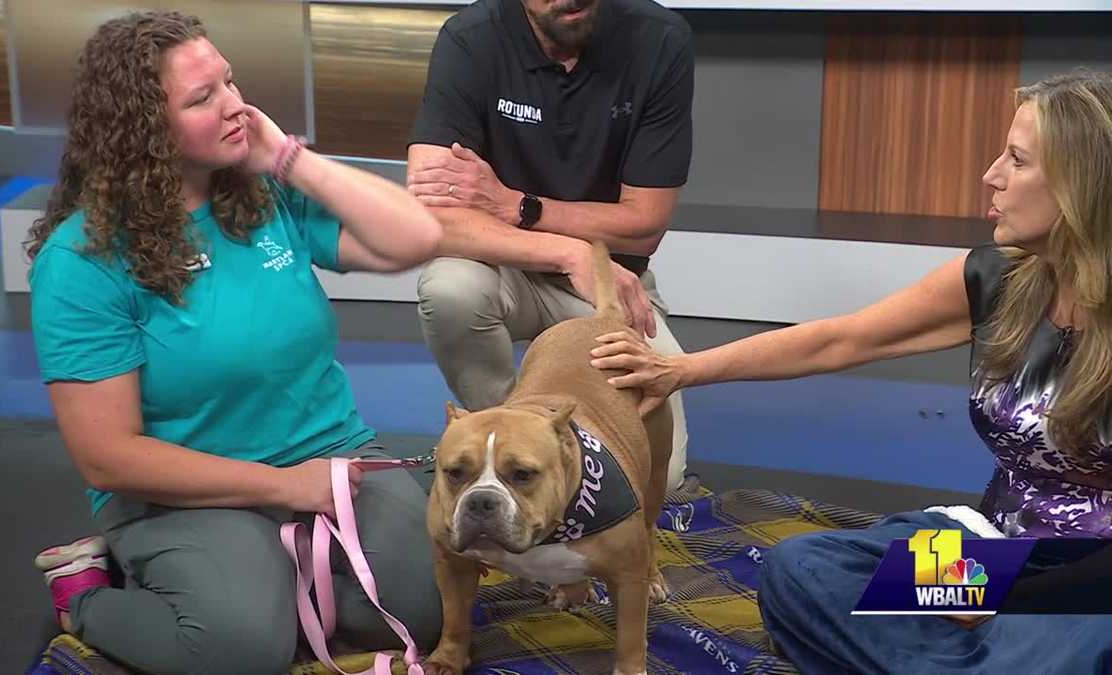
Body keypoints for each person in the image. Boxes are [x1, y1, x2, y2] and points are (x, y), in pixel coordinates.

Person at [590, 70, 1112, 673]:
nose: (990, 175)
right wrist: (677, 370)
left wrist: (1009, 601)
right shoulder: (997, 277)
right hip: (990, 555)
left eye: (1017, 161)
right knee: (804, 573)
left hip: (1087, 582)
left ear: (1081, 185)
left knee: (1069, 648)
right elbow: (841, 339)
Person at [26, 12, 443, 674]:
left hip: (326, 454)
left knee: (430, 611)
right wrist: (281, 488)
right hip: (185, 490)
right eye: (203, 98)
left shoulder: (265, 191)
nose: (235, 107)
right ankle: (85, 593)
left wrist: (288, 157)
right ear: (145, 130)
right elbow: (108, 457)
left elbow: (416, 238)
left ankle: (268, 576)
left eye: (230, 81)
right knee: (241, 647)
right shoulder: (80, 261)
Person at [406, 0, 695, 490]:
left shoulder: (659, 37)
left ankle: (559, 457)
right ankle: (501, 438)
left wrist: (522, 207)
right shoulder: (470, 38)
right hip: (505, 268)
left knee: (659, 481)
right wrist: (571, 251)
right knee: (451, 289)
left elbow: (644, 223)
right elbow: (433, 218)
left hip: (608, 284)